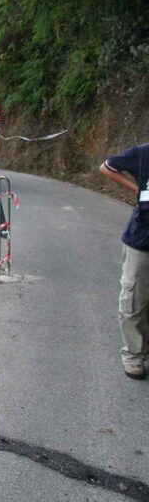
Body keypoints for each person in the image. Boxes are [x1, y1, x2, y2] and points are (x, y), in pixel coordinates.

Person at [101, 144, 149, 379]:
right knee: (135, 300)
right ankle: (133, 354)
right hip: (143, 239)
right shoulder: (143, 154)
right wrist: (138, 189)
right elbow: (107, 167)